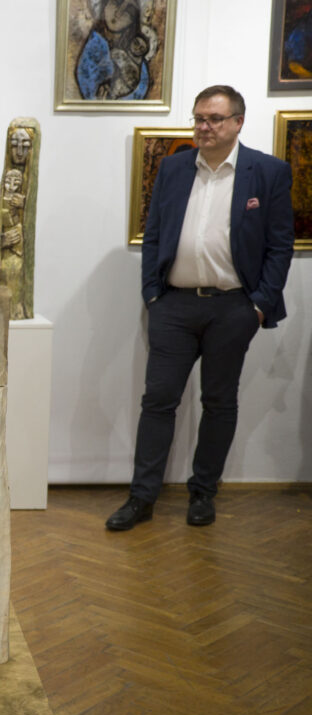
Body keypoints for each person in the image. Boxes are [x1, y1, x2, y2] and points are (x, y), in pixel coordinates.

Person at [106, 85, 294, 531]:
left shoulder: (268, 172)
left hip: (233, 308)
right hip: (173, 306)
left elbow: (279, 245)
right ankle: (141, 498)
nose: (204, 127)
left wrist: (259, 305)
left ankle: (203, 493)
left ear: (237, 122)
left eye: (213, 119)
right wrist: (153, 295)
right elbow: (154, 233)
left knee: (219, 401)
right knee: (158, 401)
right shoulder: (173, 167)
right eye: (199, 118)